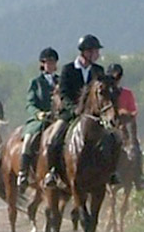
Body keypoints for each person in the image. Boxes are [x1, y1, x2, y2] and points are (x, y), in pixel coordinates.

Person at [42, 33, 107, 189]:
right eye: (94, 51)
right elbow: (63, 94)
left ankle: (110, 173)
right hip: (70, 114)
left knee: (112, 138)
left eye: (97, 51)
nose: (97, 54)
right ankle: (52, 172)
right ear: (85, 52)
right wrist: (74, 109)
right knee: (53, 139)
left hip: (93, 116)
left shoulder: (98, 70)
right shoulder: (68, 69)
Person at [16, 47, 60, 189]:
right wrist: (38, 113)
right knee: (29, 140)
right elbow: (30, 103)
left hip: (57, 119)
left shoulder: (60, 81)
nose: (50, 65)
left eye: (53, 62)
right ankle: (23, 172)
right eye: (47, 62)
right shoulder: (36, 82)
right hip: (39, 119)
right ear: (43, 64)